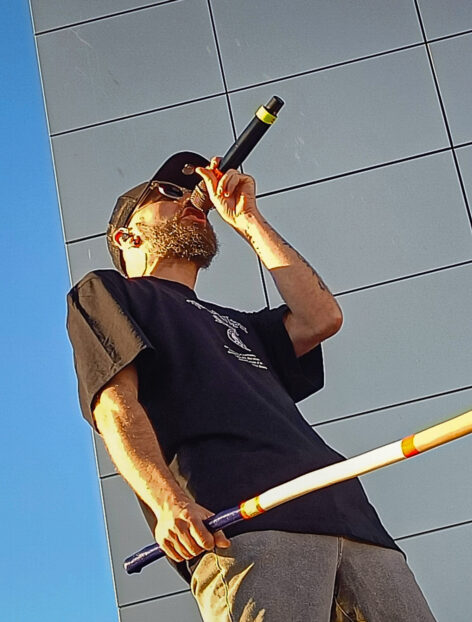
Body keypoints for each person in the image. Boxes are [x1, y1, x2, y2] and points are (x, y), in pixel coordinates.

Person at [66, 152, 436, 621]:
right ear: (126, 235)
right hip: (242, 525)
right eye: (171, 194)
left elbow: (321, 317)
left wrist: (248, 219)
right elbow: (114, 404)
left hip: (352, 520)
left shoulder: (240, 325)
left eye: (195, 196)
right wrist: (168, 502)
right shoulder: (109, 292)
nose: (193, 202)